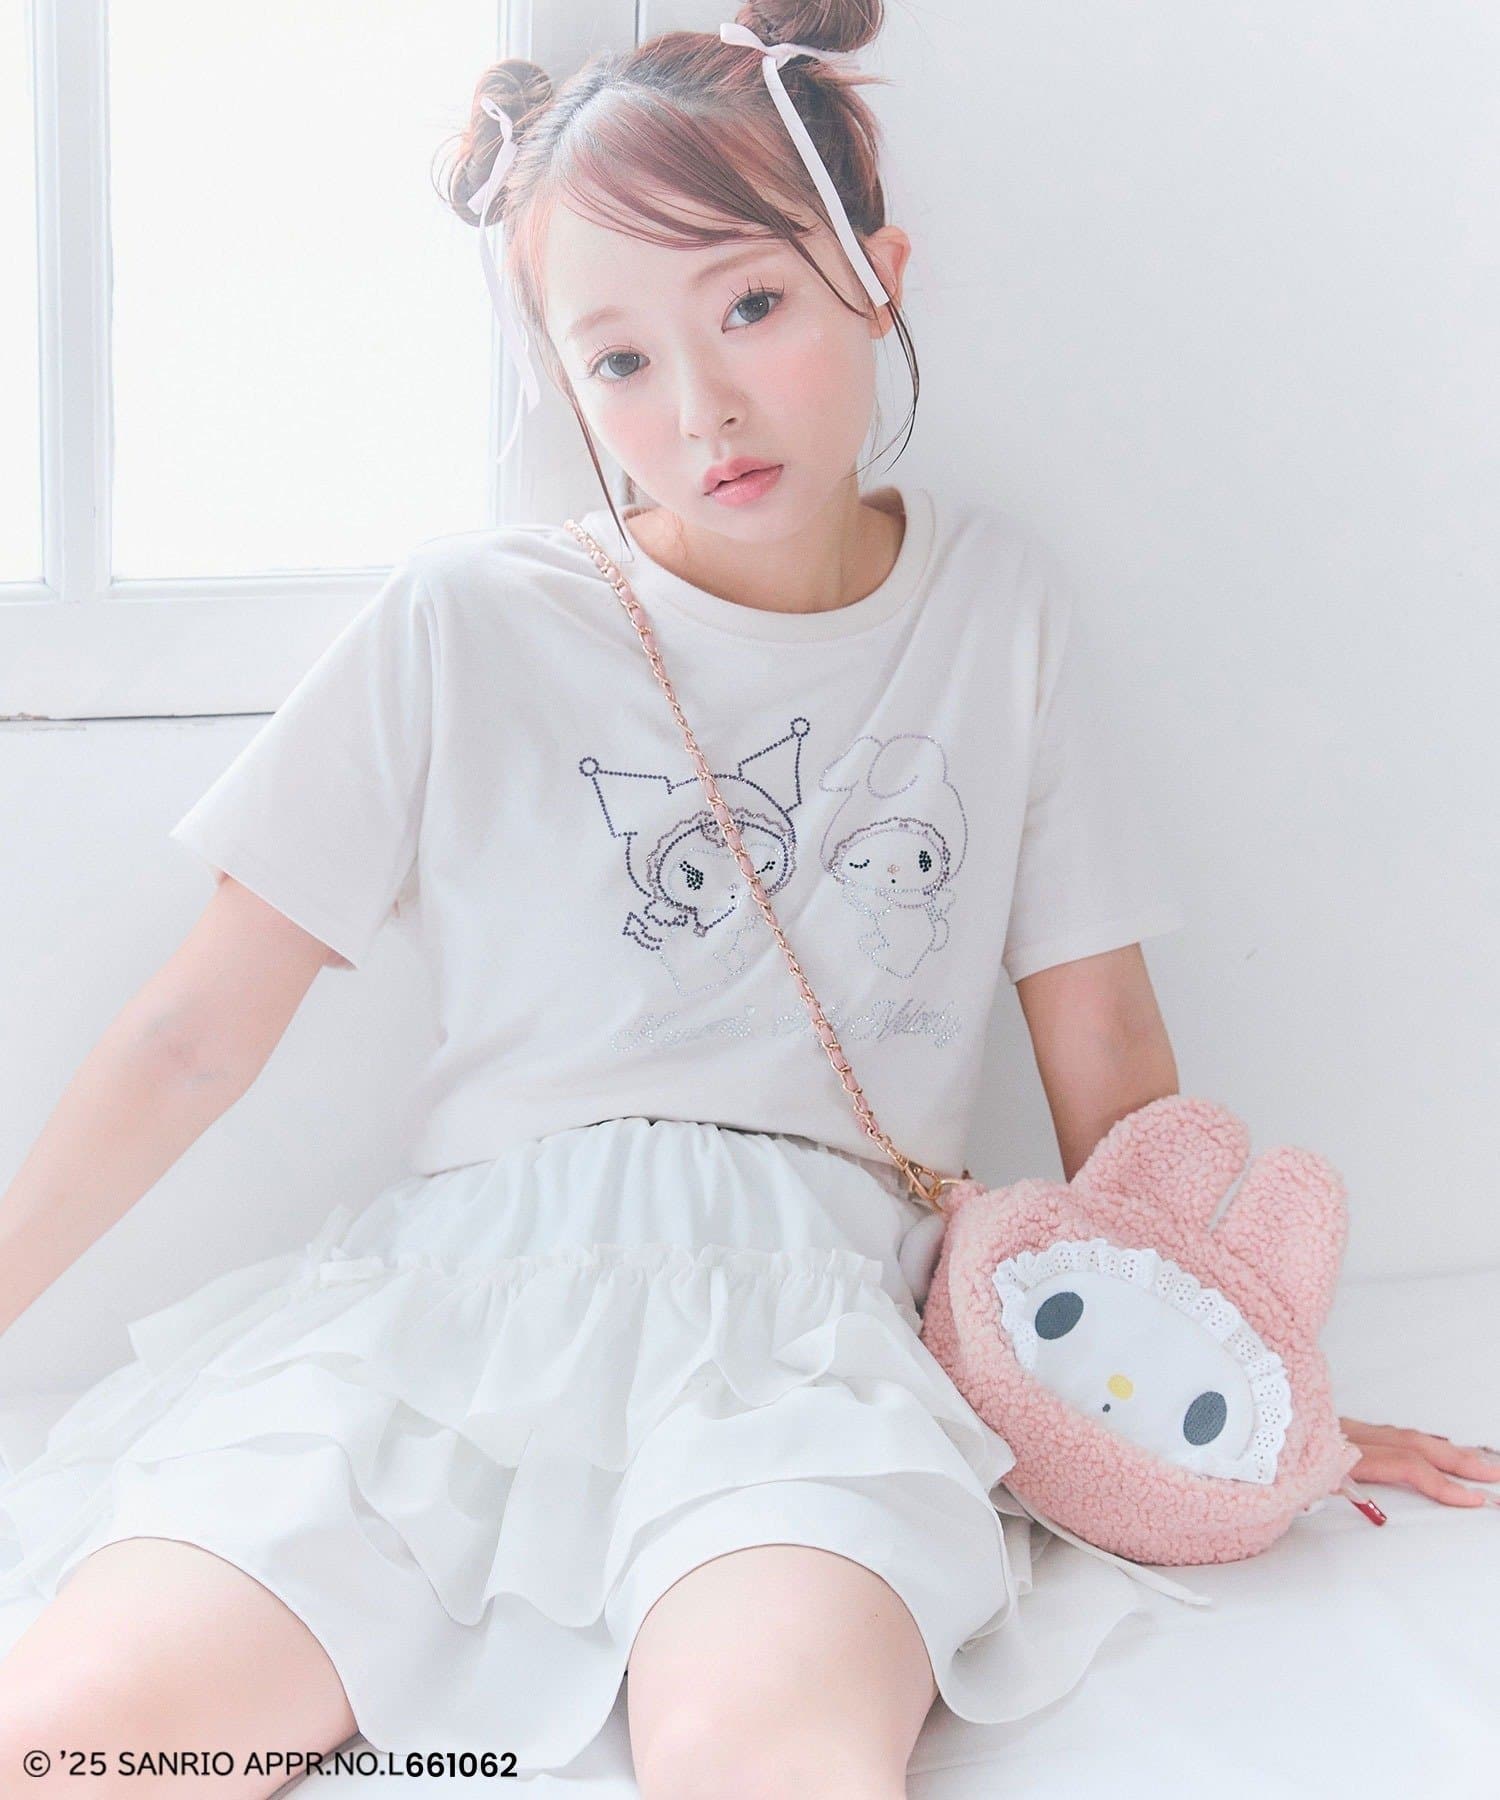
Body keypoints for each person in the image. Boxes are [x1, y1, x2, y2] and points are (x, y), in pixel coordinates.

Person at [1, 2, 1494, 1793]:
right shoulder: (466, 621)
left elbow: (1100, 1036)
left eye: (754, 305)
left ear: (876, 277)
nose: (699, 406)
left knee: (772, 1752)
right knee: (75, 1741)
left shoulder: (997, 609)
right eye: (619, 358)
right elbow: (191, 1033)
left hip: (824, 1335)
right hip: (458, 1310)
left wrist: (1238, 1383)